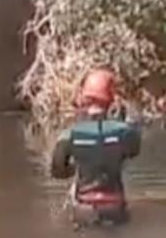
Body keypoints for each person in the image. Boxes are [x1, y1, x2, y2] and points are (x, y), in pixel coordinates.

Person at [50, 68, 141, 228]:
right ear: (111, 99)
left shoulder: (70, 134)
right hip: (115, 207)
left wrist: (75, 168)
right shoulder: (125, 132)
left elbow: (57, 170)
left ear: (84, 98)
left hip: (84, 208)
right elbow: (133, 151)